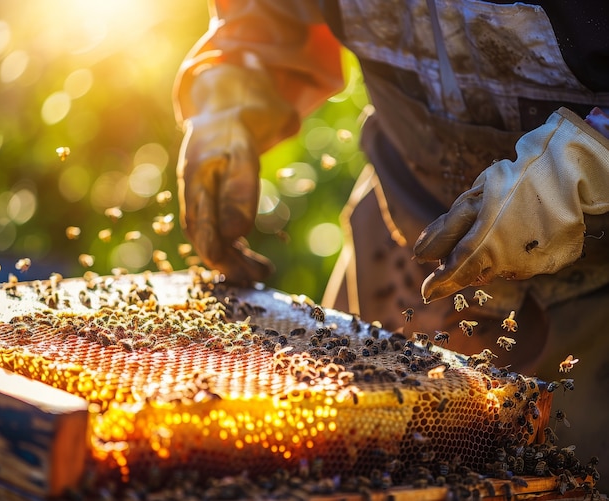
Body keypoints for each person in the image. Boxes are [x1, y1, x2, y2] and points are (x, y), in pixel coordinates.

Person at [173, 0, 609, 490]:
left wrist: (589, 163)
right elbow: (267, 15)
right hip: (398, 246)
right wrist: (233, 85)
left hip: (592, 295)